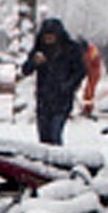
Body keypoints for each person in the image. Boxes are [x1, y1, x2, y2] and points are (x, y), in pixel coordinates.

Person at [19, 16, 86, 145]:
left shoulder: (71, 49)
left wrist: (68, 86)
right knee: (44, 137)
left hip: (62, 100)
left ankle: (57, 161)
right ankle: (45, 163)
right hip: (44, 100)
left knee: (55, 134)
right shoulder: (40, 50)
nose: (48, 39)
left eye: (51, 36)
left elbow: (80, 71)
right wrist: (34, 62)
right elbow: (26, 70)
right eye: (46, 36)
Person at [80, 40, 102, 116]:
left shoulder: (91, 52)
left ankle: (89, 108)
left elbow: (88, 63)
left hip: (94, 73)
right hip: (91, 73)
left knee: (89, 91)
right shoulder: (91, 51)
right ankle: (87, 107)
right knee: (87, 91)